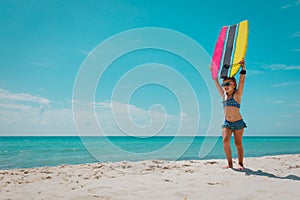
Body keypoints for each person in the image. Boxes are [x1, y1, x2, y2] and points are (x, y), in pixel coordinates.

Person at [211, 59, 247, 170]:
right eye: (224, 84)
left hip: (238, 123)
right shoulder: (224, 96)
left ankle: (240, 163)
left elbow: (242, 82)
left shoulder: (237, 95)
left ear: (234, 85)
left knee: (238, 143)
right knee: (225, 141)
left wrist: (243, 69)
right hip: (227, 123)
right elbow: (216, 83)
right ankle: (230, 164)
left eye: (228, 84)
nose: (225, 86)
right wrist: (214, 74)